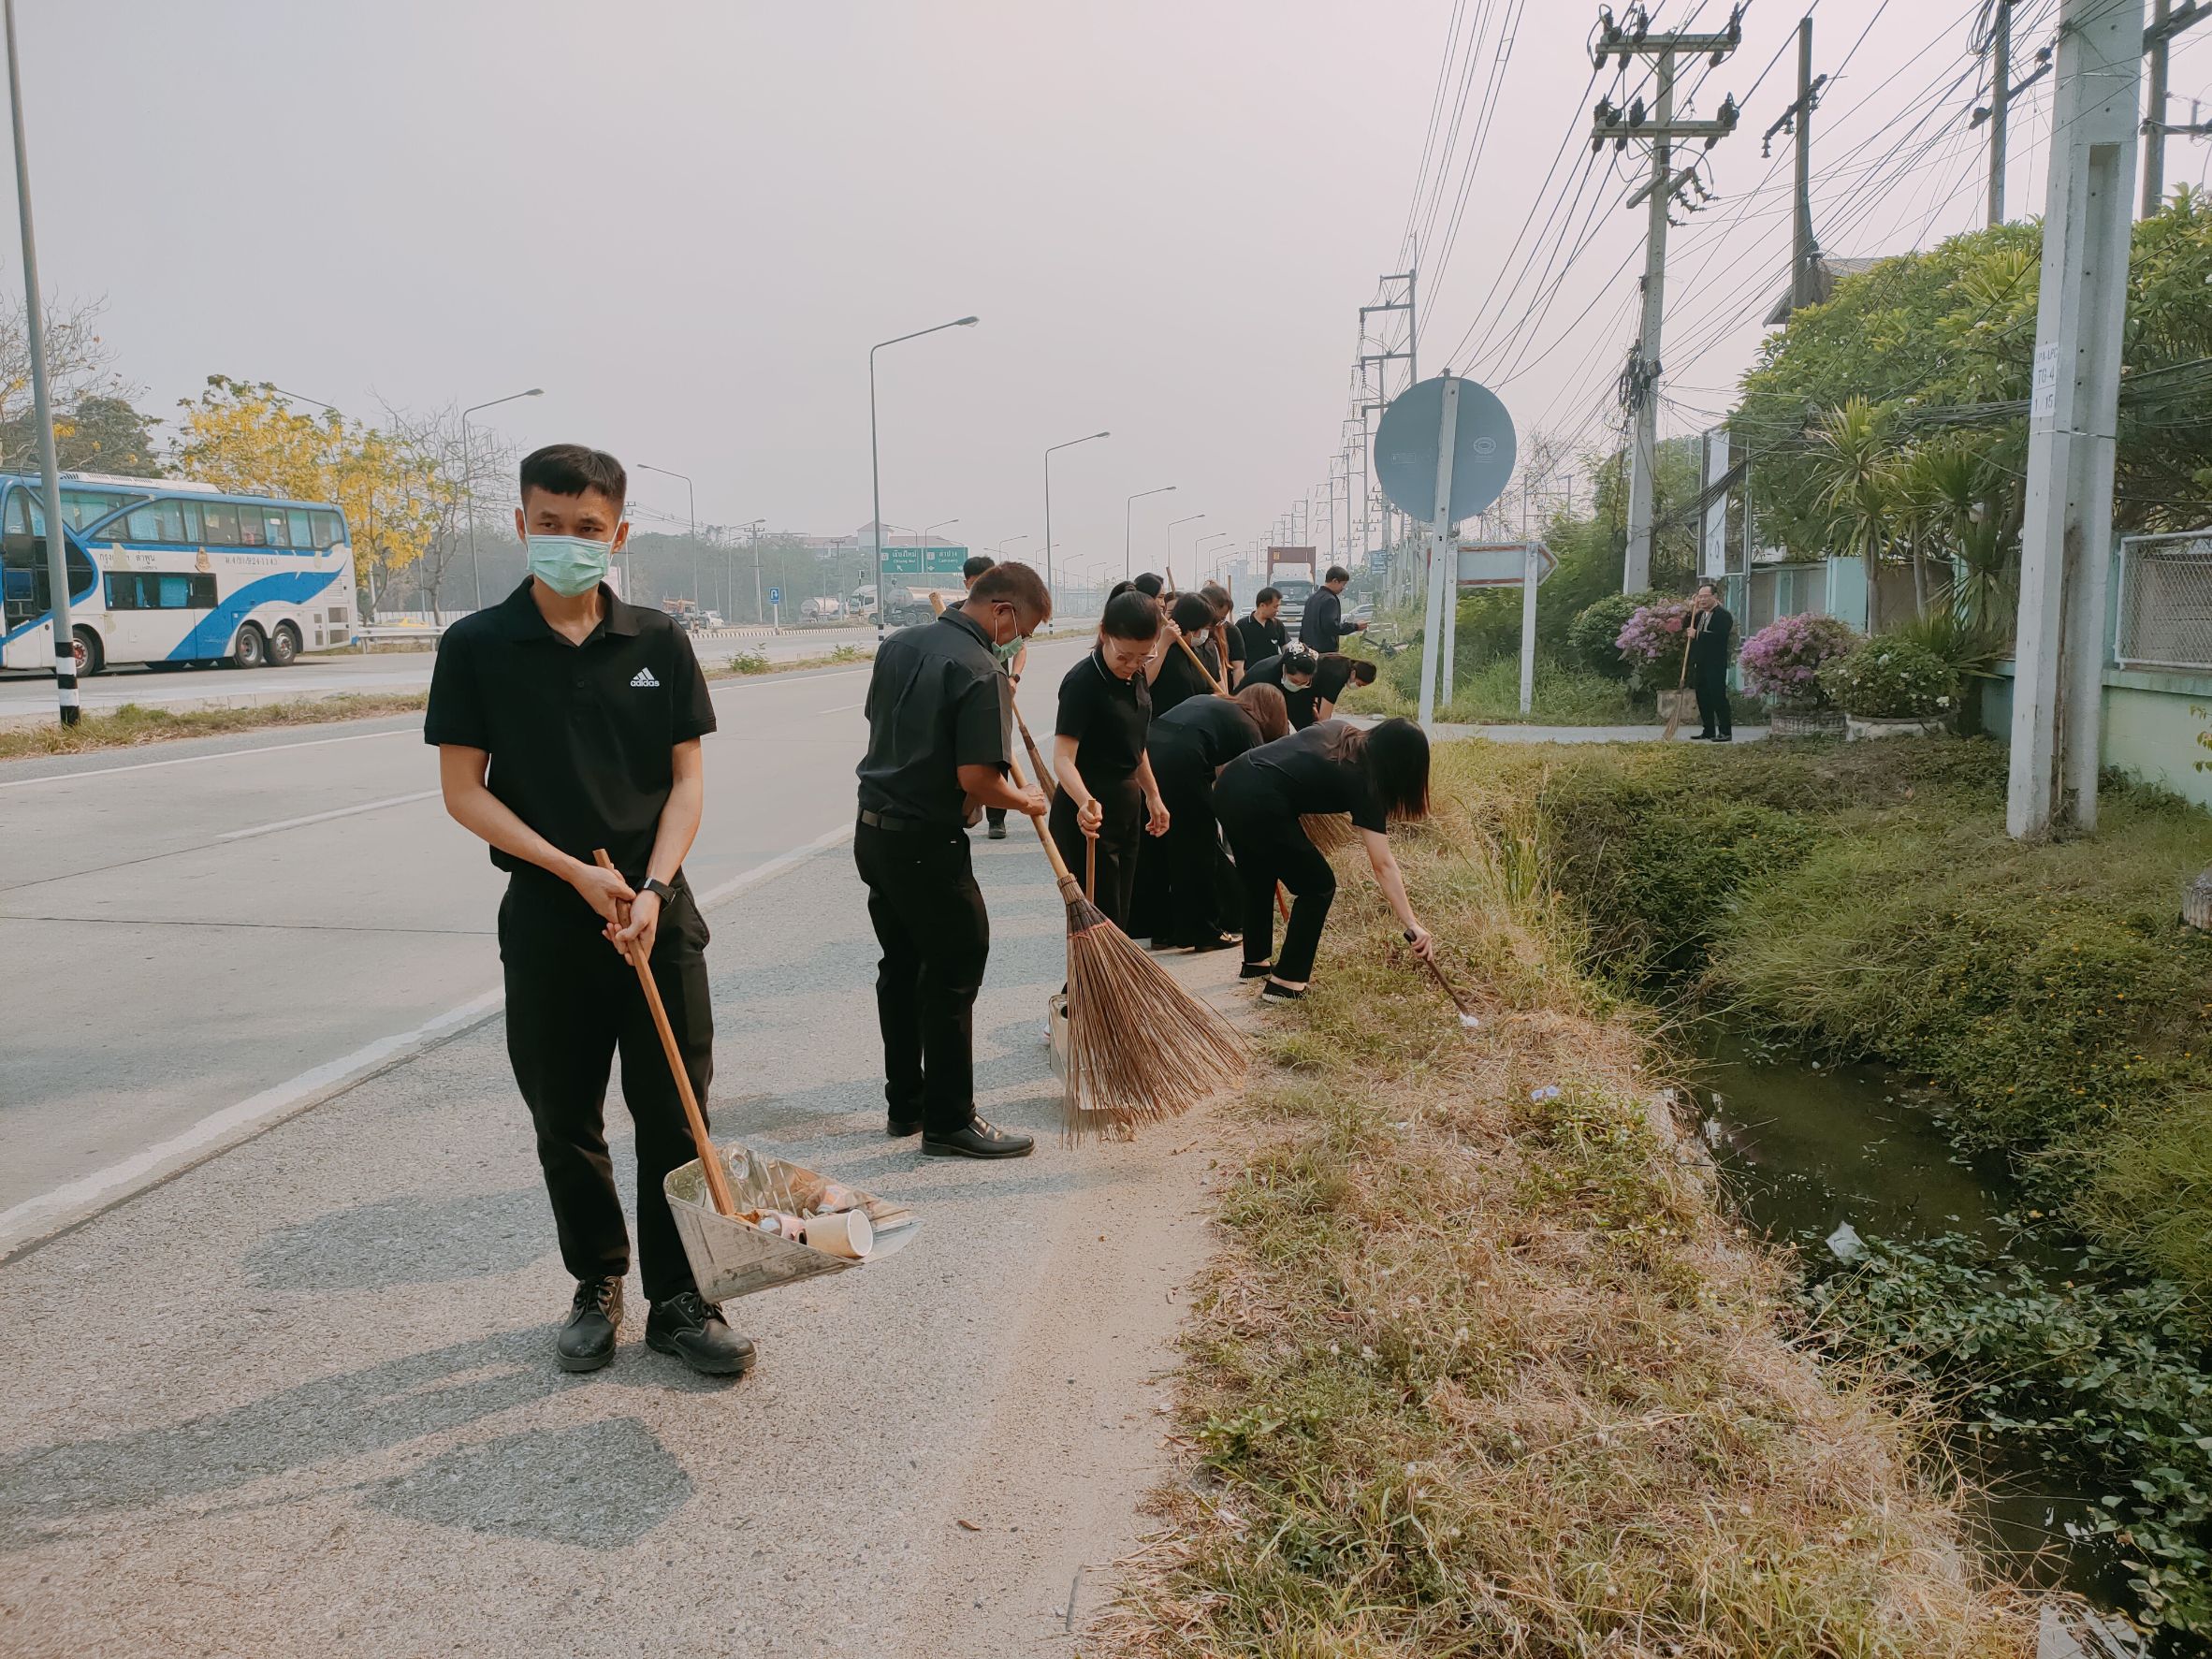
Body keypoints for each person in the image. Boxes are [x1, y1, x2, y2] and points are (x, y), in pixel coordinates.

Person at [427, 443, 751, 1378]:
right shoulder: (478, 646)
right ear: (521, 524)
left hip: (656, 916)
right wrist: (572, 870)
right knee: (564, 1117)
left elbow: (686, 782)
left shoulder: (658, 640)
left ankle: (681, 1299)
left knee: (676, 1114)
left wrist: (653, 888)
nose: (569, 540)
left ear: (618, 534)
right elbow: (464, 790)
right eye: (550, 524)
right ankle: (597, 1283)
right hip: (549, 917)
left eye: (589, 528)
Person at [855, 560, 1053, 1160]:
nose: (1019, 642)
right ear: (1002, 611)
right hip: (926, 843)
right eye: (1024, 631)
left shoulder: (898, 644)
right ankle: (949, 1120)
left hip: (875, 832)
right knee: (954, 969)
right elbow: (978, 779)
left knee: (901, 967)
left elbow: (887, 725)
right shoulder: (981, 670)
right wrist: (1024, 800)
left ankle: (906, 1105)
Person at [1214, 718, 1438, 1003]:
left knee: (1260, 875)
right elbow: (1383, 865)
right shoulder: (1366, 781)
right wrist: (1412, 922)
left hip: (1230, 783)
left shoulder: (1338, 730)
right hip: (1258, 801)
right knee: (1317, 886)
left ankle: (1255, 964)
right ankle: (1286, 983)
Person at [1050, 590, 1171, 933]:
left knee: (1120, 912)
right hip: (1088, 812)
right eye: (1124, 656)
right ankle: (1089, 971)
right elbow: (1063, 759)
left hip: (1126, 807)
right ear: (1104, 632)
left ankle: (1111, 971)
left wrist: (1153, 795)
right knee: (1097, 920)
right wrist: (1084, 802)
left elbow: (1135, 744)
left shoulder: (1136, 675)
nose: (1132, 664)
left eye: (1144, 656)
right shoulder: (1082, 683)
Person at [1143, 683, 1290, 950]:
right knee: (1197, 849)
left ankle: (1164, 931)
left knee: (1162, 845)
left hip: (1147, 757)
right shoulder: (1250, 729)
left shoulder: (1214, 703)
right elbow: (1255, 787)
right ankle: (1203, 932)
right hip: (1182, 763)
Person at [963, 554, 1026, 837]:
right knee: (968, 757)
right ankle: (967, 809)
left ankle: (996, 818)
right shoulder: (956, 614)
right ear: (967, 584)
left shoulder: (1003, 617)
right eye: (977, 582)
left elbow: (1019, 648)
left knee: (997, 754)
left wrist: (1014, 677)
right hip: (968, 694)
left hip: (997, 691)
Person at [1146, 591, 1221, 716]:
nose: (1203, 634)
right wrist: (1163, 643)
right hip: (1166, 721)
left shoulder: (1207, 649)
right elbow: (1145, 681)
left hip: (1199, 719)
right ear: (1190, 625)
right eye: (1202, 628)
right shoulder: (1164, 647)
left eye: (1207, 629)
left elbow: (1217, 687)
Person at [1687, 581, 1734, 742]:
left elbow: (1719, 637)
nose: (1702, 600)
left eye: (1705, 596)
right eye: (1700, 597)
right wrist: (1691, 609)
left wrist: (1698, 634)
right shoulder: (1700, 615)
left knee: (1717, 696)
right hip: (1700, 661)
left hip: (1715, 663)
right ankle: (1708, 730)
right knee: (1702, 696)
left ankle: (1725, 731)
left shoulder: (1723, 615)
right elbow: (1686, 625)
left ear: (1715, 597)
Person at [1287, 652, 1378, 729]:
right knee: (1309, 732)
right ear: (1354, 673)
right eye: (1359, 684)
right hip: (1297, 692)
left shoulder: (1344, 663)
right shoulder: (1338, 677)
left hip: (1303, 688)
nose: (1358, 687)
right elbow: (1324, 718)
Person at [1298, 565, 1368, 653]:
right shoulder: (1330, 600)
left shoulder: (1312, 598)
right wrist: (1355, 626)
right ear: (1335, 581)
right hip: (1325, 653)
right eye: (1343, 584)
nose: (1343, 588)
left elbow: (1304, 626)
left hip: (1309, 652)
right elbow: (1332, 627)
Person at [1201, 581, 1245, 689]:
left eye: (1222, 619)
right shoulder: (1193, 633)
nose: (1217, 624)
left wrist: (1237, 694)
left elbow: (1238, 668)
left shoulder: (1231, 631)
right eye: (1215, 619)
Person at [1236, 587, 1289, 666]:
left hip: (1273, 671)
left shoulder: (1277, 624)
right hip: (1250, 672)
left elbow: (1286, 650)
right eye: (1275, 606)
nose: (1277, 610)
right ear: (1262, 605)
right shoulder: (1242, 625)